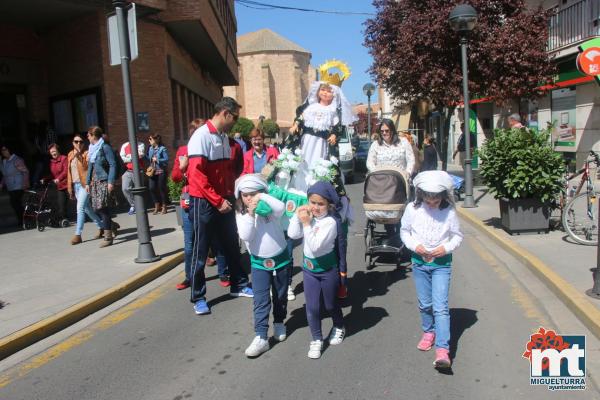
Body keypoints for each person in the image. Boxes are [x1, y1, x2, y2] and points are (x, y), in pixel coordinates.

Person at [187, 97, 253, 315]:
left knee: (232, 245)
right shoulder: (201, 136)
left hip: (222, 199)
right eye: (234, 117)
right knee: (201, 249)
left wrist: (232, 197)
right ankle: (198, 297)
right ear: (225, 113)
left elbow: (227, 174)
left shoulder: (223, 138)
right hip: (204, 202)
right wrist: (217, 200)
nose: (235, 122)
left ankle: (239, 284)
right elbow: (196, 175)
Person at [399, 170, 463, 369]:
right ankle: (429, 331)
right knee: (425, 303)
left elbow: (457, 236)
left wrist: (445, 248)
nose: (432, 202)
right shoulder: (412, 209)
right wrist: (413, 246)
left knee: (440, 307)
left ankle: (443, 350)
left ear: (444, 196)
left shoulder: (449, 212)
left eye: (436, 198)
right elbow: (404, 231)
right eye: (428, 197)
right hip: (419, 263)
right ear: (420, 193)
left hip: (441, 265)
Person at [288, 181, 346, 359]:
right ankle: (316, 339)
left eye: (320, 204)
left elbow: (314, 246)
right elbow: (292, 234)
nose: (315, 207)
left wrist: (306, 224)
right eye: (312, 202)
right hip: (309, 270)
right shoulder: (309, 217)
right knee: (312, 307)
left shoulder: (330, 223)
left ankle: (339, 325)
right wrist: (297, 217)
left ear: (329, 205)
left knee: (330, 304)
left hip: (327, 270)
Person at [235, 174, 290, 358]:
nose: (249, 198)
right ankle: (261, 336)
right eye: (245, 195)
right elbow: (246, 235)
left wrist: (262, 196)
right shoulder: (242, 214)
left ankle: (280, 321)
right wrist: (250, 213)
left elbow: (281, 208)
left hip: (280, 257)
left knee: (280, 293)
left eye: (253, 193)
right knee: (261, 298)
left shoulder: (269, 207)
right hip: (259, 262)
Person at [286, 80, 356, 195]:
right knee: (304, 160)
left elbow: (337, 125)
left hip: (321, 141)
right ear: (318, 91)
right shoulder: (312, 107)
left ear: (334, 95)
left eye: (329, 91)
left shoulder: (333, 110)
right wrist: (296, 125)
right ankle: (302, 187)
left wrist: (334, 134)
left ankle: (316, 187)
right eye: (323, 90)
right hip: (308, 139)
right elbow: (302, 117)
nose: (325, 93)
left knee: (318, 161)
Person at [366, 119, 415, 237]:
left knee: (401, 206)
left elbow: (411, 159)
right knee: (385, 205)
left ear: (392, 130)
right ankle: (390, 233)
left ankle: (402, 232)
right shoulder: (376, 145)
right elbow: (370, 162)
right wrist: (376, 174)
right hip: (382, 182)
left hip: (400, 180)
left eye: (387, 130)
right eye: (382, 131)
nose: (384, 133)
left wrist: (407, 172)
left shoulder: (403, 142)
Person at [172, 118, 204, 290]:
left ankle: (223, 270)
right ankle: (190, 277)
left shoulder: (208, 149)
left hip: (206, 201)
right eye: (193, 132)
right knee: (190, 243)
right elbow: (175, 177)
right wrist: (182, 166)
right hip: (189, 201)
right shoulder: (183, 150)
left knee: (209, 239)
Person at [67, 134, 102, 245]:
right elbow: (69, 173)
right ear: (73, 143)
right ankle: (103, 226)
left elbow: (88, 168)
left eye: (81, 142)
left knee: (80, 208)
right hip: (76, 185)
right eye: (76, 141)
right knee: (87, 209)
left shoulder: (87, 154)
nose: (79, 144)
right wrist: (69, 188)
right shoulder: (70, 155)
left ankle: (78, 235)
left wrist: (80, 157)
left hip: (85, 185)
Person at [86, 126, 117, 248]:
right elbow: (90, 167)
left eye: (88, 135)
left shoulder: (105, 147)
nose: (87, 137)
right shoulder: (92, 149)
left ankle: (108, 237)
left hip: (104, 181)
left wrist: (110, 181)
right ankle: (112, 225)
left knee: (103, 208)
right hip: (95, 183)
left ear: (94, 135)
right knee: (96, 208)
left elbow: (113, 164)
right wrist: (87, 182)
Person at [0, 145, 29, 227]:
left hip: (18, 185)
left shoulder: (16, 160)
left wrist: (25, 184)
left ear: (10, 150)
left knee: (15, 203)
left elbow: (25, 172)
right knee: (15, 204)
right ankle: (24, 219)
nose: (3, 152)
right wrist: (2, 184)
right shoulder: (4, 162)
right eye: (2, 150)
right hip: (10, 187)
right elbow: (5, 175)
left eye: (5, 149)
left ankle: (23, 219)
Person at [120, 138, 146, 215]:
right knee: (125, 188)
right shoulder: (124, 145)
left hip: (138, 171)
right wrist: (132, 157)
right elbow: (123, 158)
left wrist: (128, 156)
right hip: (128, 170)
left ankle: (141, 206)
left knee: (139, 189)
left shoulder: (141, 144)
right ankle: (133, 205)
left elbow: (140, 155)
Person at [47, 144, 69, 225]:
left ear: (58, 150)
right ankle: (64, 220)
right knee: (61, 204)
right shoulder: (52, 162)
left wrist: (58, 179)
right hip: (60, 187)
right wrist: (45, 179)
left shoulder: (64, 158)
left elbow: (65, 171)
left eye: (54, 151)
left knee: (78, 203)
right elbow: (52, 174)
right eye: (51, 152)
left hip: (68, 184)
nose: (53, 153)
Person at [147, 134, 169, 214]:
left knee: (161, 188)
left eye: (150, 139)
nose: (149, 140)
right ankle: (157, 205)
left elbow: (166, 159)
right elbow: (148, 159)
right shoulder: (150, 149)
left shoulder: (162, 149)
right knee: (151, 188)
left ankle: (164, 206)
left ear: (156, 140)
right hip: (152, 171)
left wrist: (158, 159)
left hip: (160, 171)